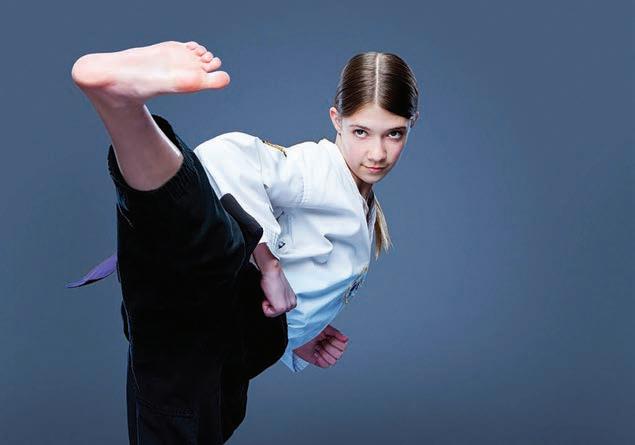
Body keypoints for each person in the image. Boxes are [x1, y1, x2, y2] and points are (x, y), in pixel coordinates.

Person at [67, 40, 420, 444]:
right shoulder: (319, 170)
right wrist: (269, 264)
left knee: (187, 239)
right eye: (361, 132)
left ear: (411, 125)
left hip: (227, 351)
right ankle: (121, 105)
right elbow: (227, 155)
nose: (377, 152)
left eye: (394, 134)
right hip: (212, 323)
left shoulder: (357, 199)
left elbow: (306, 266)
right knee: (206, 238)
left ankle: (120, 106)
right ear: (336, 120)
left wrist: (303, 332)